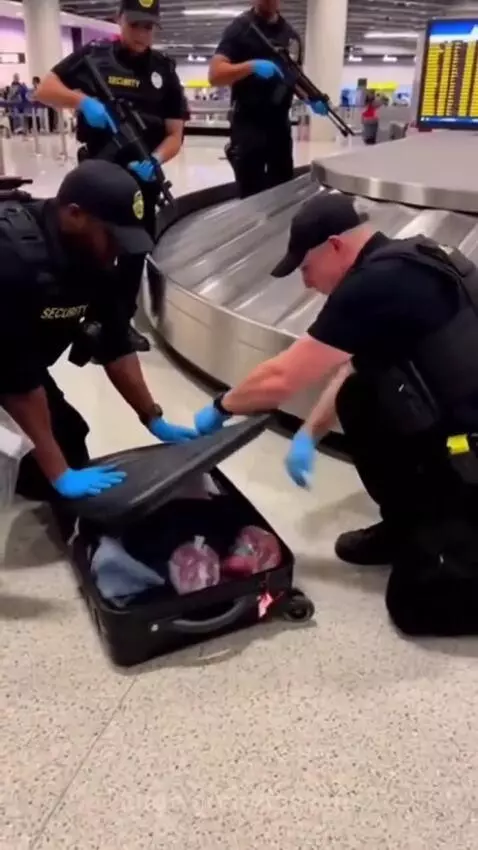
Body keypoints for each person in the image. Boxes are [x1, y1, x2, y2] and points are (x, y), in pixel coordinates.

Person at [192, 192, 478, 635]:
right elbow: (352, 366)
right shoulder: (408, 261)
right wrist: (309, 433)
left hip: (467, 455)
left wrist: (219, 407)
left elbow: (282, 377)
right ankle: (407, 524)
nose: (306, 283)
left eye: (305, 268)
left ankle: (446, 532)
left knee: (417, 607)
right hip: (453, 432)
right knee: (360, 394)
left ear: (335, 246)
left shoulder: (373, 285)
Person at [0, 159, 195, 506]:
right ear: (74, 215)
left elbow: (115, 342)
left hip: (16, 362)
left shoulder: (95, 256)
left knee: (70, 444)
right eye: (113, 236)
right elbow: (18, 384)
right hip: (8, 367)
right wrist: (59, 473)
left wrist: (152, 416)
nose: (118, 249)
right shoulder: (12, 258)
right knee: (32, 465)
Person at [36, 0, 186, 353]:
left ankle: (120, 322)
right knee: (84, 245)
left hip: (141, 176)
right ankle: (79, 315)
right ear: (119, 20)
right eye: (135, 25)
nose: (142, 34)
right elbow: (44, 89)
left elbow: (175, 135)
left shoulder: (164, 70)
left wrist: (155, 159)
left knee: (133, 252)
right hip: (96, 177)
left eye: (149, 27)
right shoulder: (94, 57)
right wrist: (81, 101)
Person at [209, 0, 327, 199]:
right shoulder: (240, 28)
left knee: (283, 190)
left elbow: (294, 77)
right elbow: (215, 74)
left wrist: (311, 98)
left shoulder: (291, 36)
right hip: (248, 124)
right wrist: (251, 67)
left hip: (279, 125)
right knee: (250, 192)